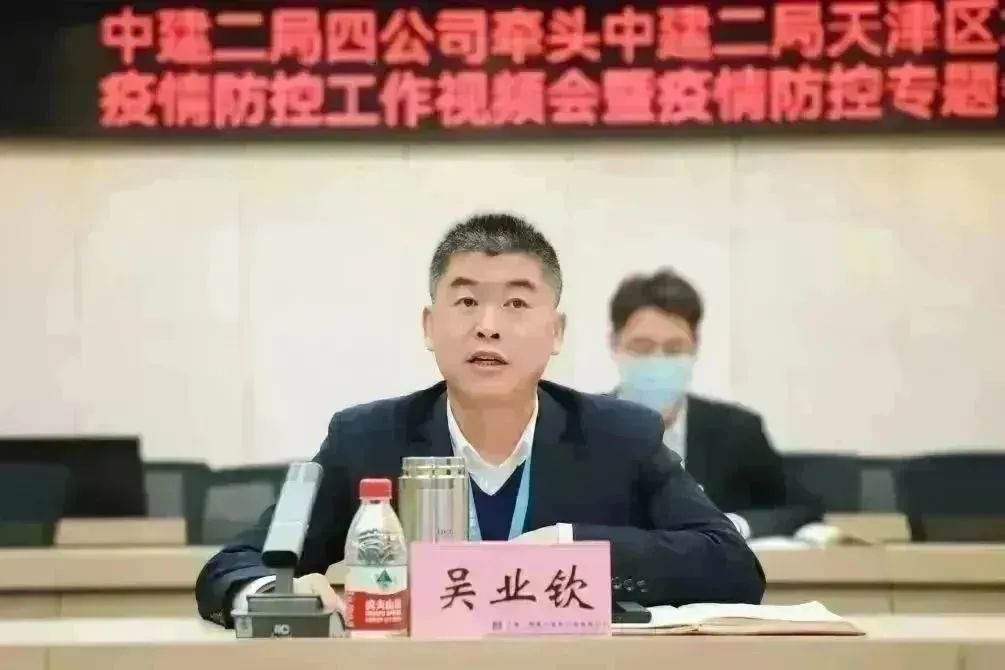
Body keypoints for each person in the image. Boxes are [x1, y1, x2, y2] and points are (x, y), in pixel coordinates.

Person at [196, 214, 764, 627]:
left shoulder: (621, 437)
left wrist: (574, 549)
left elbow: (732, 566)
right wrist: (271, 593)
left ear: (556, 332)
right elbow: (235, 566)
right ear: (429, 326)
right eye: (466, 302)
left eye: (516, 304)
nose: (488, 325)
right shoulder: (367, 439)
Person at [609, 269, 821, 539]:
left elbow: (801, 508)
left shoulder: (737, 431)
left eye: (674, 348)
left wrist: (735, 525)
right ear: (615, 344)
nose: (658, 361)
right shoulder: (576, 425)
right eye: (642, 347)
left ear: (695, 347)